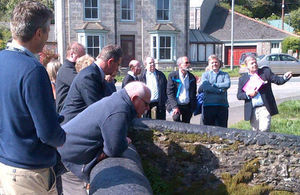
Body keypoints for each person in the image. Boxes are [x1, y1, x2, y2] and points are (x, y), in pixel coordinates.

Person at [0, 1, 66, 194]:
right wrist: (62, 135)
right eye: (47, 32)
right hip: (29, 172)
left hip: (5, 164)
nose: (47, 38)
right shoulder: (33, 70)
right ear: (38, 33)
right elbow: (48, 133)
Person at [58, 81, 150, 194]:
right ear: (135, 99)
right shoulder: (119, 110)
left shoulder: (118, 102)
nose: (148, 108)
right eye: (146, 104)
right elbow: (114, 149)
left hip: (67, 152)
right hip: (69, 159)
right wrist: (124, 142)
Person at [61, 45, 122, 124]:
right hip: (72, 129)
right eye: (118, 64)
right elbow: (96, 109)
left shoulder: (96, 74)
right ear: (110, 62)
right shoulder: (89, 76)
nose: (117, 68)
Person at [237, 56, 292, 131]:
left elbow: (278, 80)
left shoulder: (265, 72)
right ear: (247, 66)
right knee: (255, 132)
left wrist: (285, 77)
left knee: (264, 129)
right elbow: (239, 95)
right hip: (252, 109)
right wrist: (248, 94)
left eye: (255, 62)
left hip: (264, 107)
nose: (254, 65)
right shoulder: (243, 79)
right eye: (252, 63)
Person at [199, 55, 231, 127]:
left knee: (222, 128)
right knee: (208, 128)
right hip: (208, 105)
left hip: (222, 105)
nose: (214, 64)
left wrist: (213, 85)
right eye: (212, 63)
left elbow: (227, 84)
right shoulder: (205, 75)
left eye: (216, 62)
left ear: (219, 63)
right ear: (209, 64)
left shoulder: (225, 74)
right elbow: (206, 87)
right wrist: (220, 90)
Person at [55, 42, 85, 113]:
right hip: (66, 113)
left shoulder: (73, 69)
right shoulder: (66, 70)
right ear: (72, 54)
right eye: (81, 57)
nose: (83, 60)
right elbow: (83, 84)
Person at [166, 56, 197, 123]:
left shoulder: (192, 77)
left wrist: (193, 107)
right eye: (186, 63)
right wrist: (175, 107)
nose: (188, 64)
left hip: (187, 105)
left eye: (189, 63)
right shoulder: (172, 76)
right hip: (176, 104)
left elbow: (194, 93)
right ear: (180, 65)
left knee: (186, 124)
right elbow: (170, 93)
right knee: (176, 119)